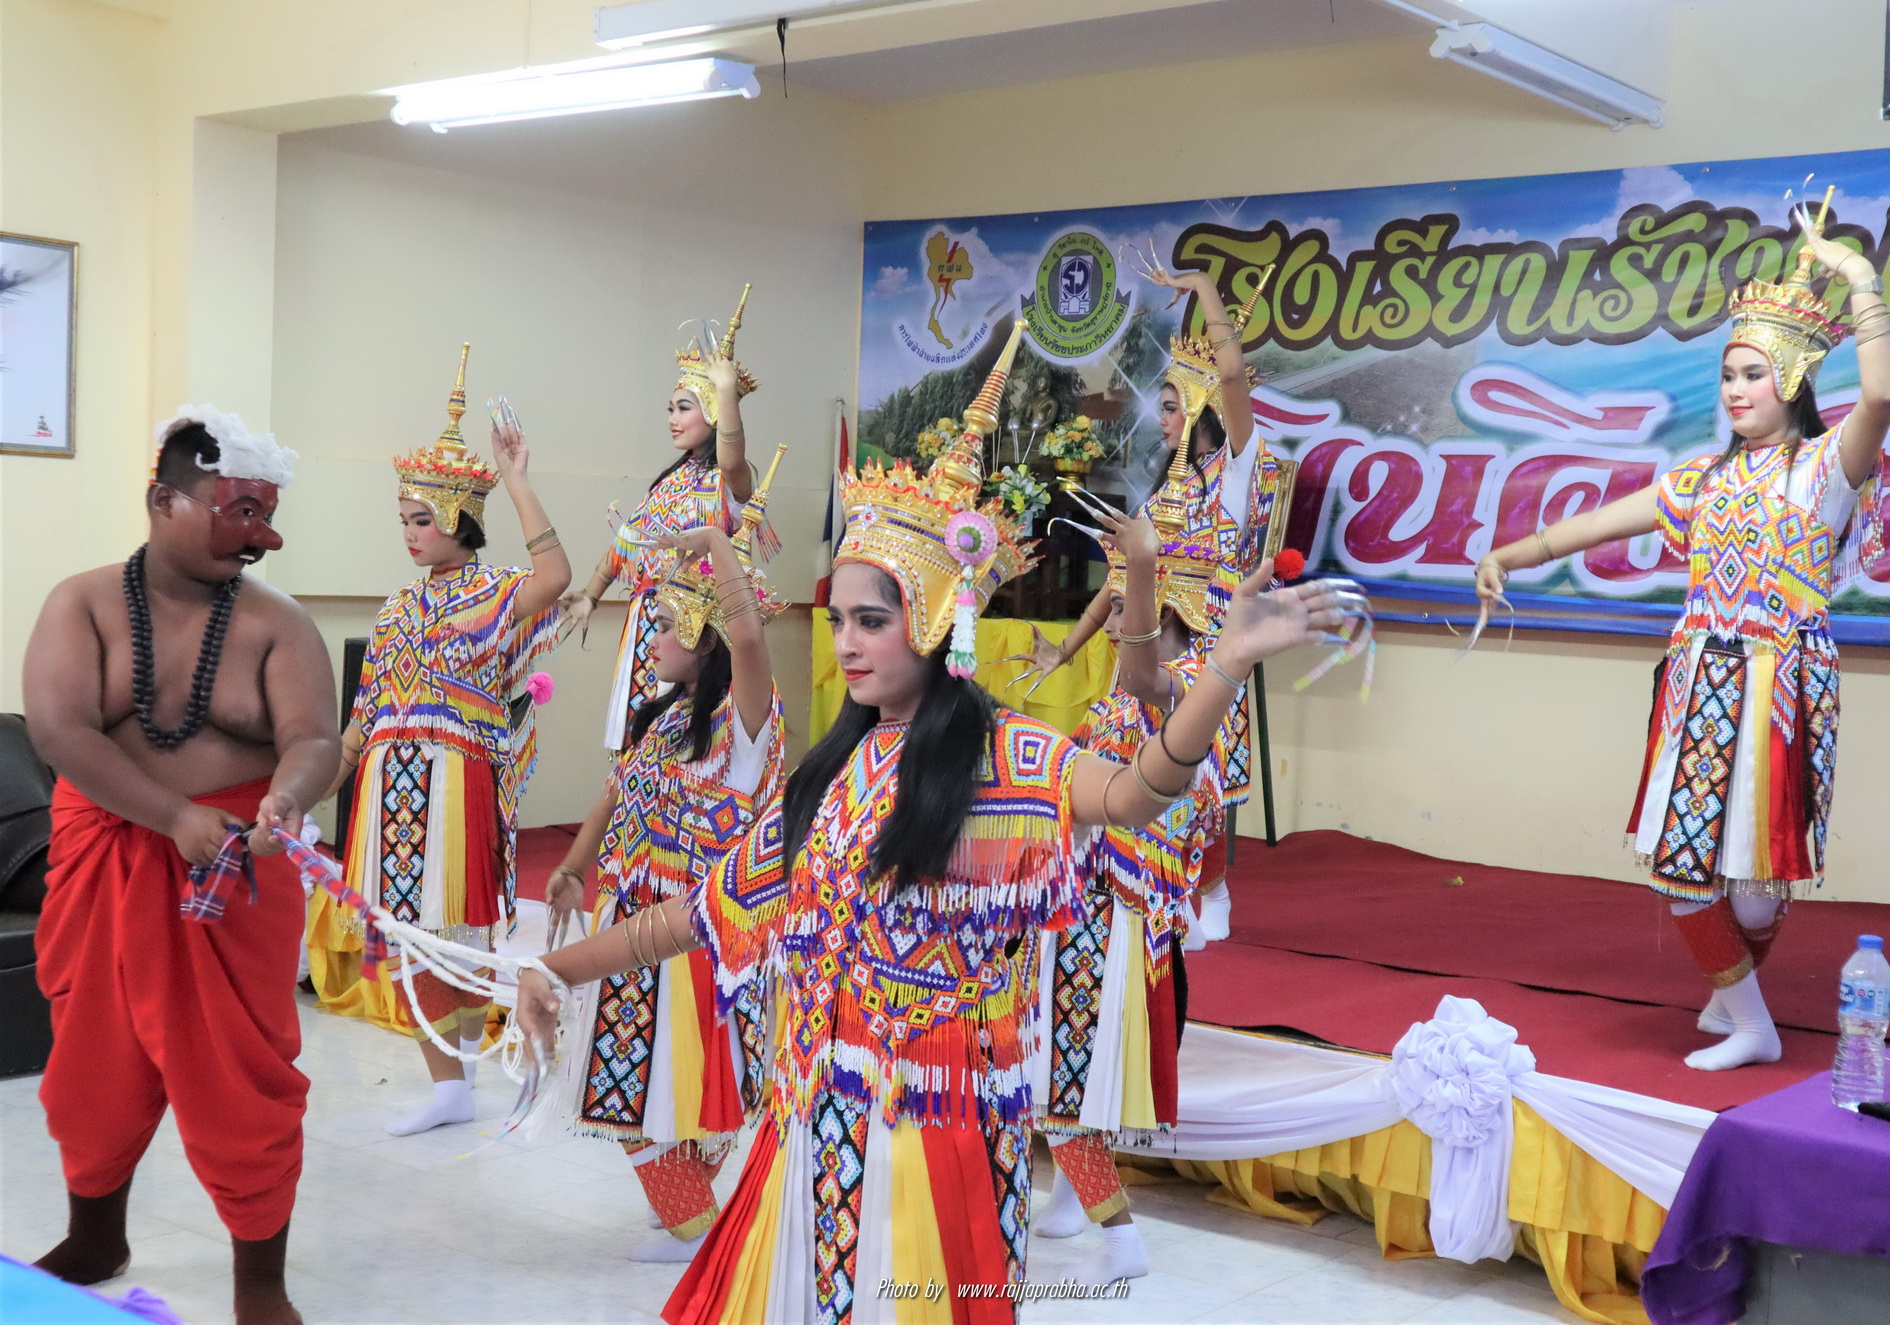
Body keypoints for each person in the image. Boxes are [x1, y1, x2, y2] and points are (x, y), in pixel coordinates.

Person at [514, 322, 1358, 1318]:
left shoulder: (1006, 757)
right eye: (840, 620)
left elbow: (1138, 791)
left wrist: (1223, 668)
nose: (848, 642)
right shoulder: (830, 775)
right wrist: (553, 969)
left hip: (939, 1127)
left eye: (871, 620)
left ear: (931, 617)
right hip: (810, 1124)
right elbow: (698, 914)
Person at [1474, 206, 1890, 1071]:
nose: (1735, 389)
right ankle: (1749, 1019)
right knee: (1681, 865)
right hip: (1701, 685)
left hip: (1782, 686)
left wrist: (1858, 277)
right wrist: (1507, 555)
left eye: (1753, 373)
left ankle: (1736, 995)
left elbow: (1882, 395)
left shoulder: (1824, 469)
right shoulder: (1701, 478)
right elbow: (1596, 523)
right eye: (1727, 375)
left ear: (1792, 376)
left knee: (1756, 884)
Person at [22, 405, 341, 1324]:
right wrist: (170, 817)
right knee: (95, 1056)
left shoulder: (278, 623)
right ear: (165, 500)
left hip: (236, 865)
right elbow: (60, 729)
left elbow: (315, 737)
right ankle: (96, 1234)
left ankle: (259, 1281)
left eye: (267, 514)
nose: (264, 536)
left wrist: (287, 795)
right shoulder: (82, 603)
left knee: (241, 1071)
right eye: (241, 512)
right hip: (107, 850)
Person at [543, 458, 788, 1263]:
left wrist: (716, 540)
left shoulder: (744, 726)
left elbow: (749, 636)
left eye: (661, 624)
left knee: (666, 1082)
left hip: (695, 928)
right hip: (633, 918)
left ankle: (693, 1221)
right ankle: (685, 1202)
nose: (646, 638)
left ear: (700, 633)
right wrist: (573, 865)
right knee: (634, 1076)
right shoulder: (665, 718)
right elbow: (613, 796)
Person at [335, 346, 569, 1130]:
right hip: (389, 784)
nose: (410, 532)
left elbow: (555, 578)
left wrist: (517, 481)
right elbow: (362, 716)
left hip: (455, 783)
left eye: (421, 518)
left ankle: (453, 1081)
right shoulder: (396, 607)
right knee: (414, 933)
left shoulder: (494, 594)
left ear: (457, 517)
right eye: (403, 519)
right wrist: (311, 785)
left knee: (452, 927)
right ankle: (451, 1082)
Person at [1014, 266, 1282, 942]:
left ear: (1201, 406)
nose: (1158, 418)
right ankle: (1134, 897)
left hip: (1202, 659)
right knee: (1126, 776)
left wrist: (1204, 289)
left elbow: (1230, 373)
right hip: (1141, 655)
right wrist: (1064, 650)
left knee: (1194, 783)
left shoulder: (1234, 479)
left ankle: (1205, 891)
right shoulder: (1162, 496)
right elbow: (1117, 583)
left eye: (1170, 405)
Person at [1028, 475, 1231, 1284]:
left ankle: (1119, 1233)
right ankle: (1073, 1200)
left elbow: (1147, 686)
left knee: (1064, 1070)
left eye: (1124, 609)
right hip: (1086, 901)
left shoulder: (1184, 693)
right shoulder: (1125, 698)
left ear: (1166, 614)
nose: (1112, 624)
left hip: (1117, 915)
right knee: (1067, 1071)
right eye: (1114, 607)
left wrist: (1140, 565)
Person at [564, 286, 778, 752]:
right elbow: (627, 543)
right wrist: (590, 595)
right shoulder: (666, 482)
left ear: (714, 412)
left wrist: (726, 390)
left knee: (683, 745)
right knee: (635, 743)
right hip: (648, 622)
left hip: (696, 631)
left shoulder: (729, 479)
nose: (672, 418)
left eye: (684, 407)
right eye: (670, 408)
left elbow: (732, 456)